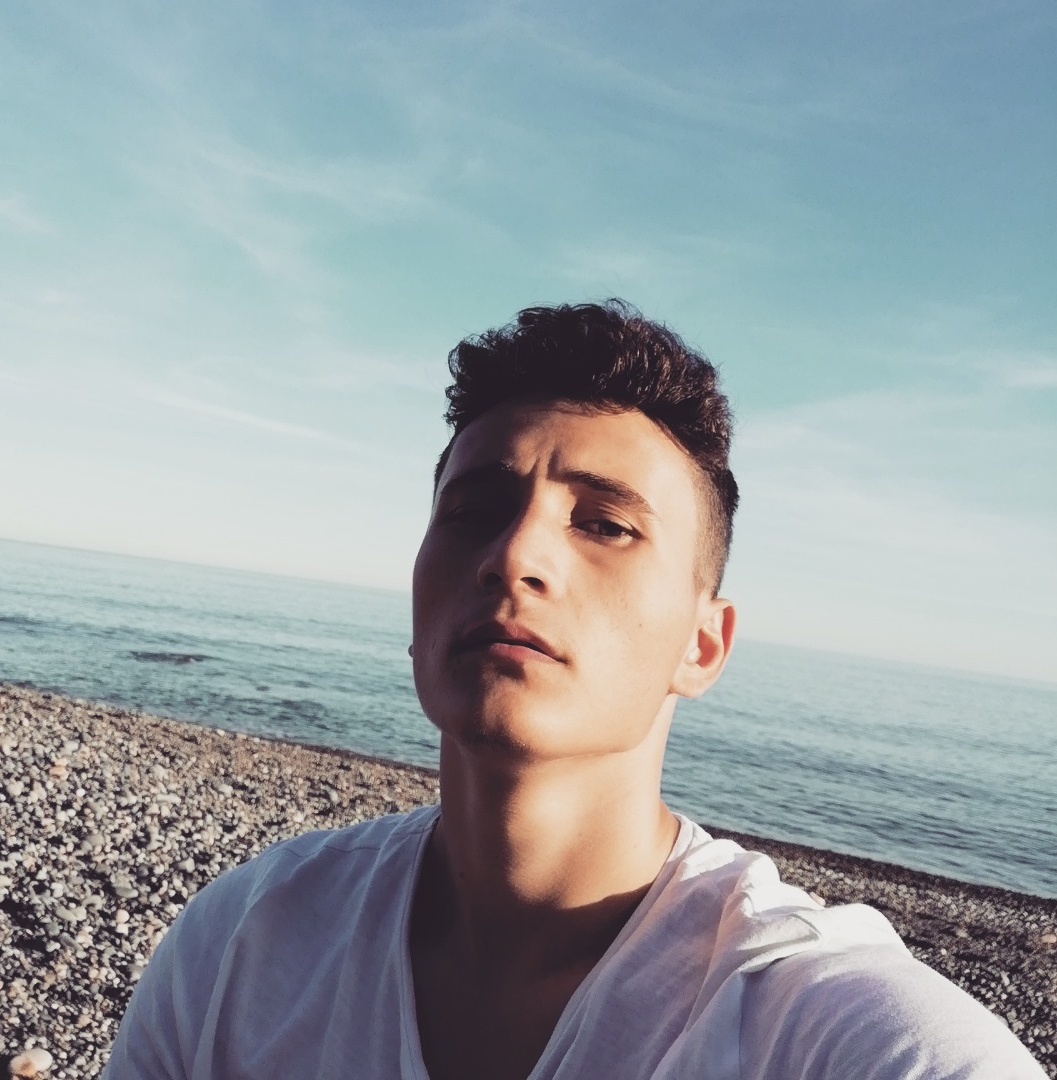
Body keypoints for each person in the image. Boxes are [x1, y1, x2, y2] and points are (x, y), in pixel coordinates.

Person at [104, 301, 1044, 1079]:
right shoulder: (246, 941)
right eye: (474, 511)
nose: (515, 554)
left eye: (605, 524)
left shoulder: (817, 1027)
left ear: (703, 645)